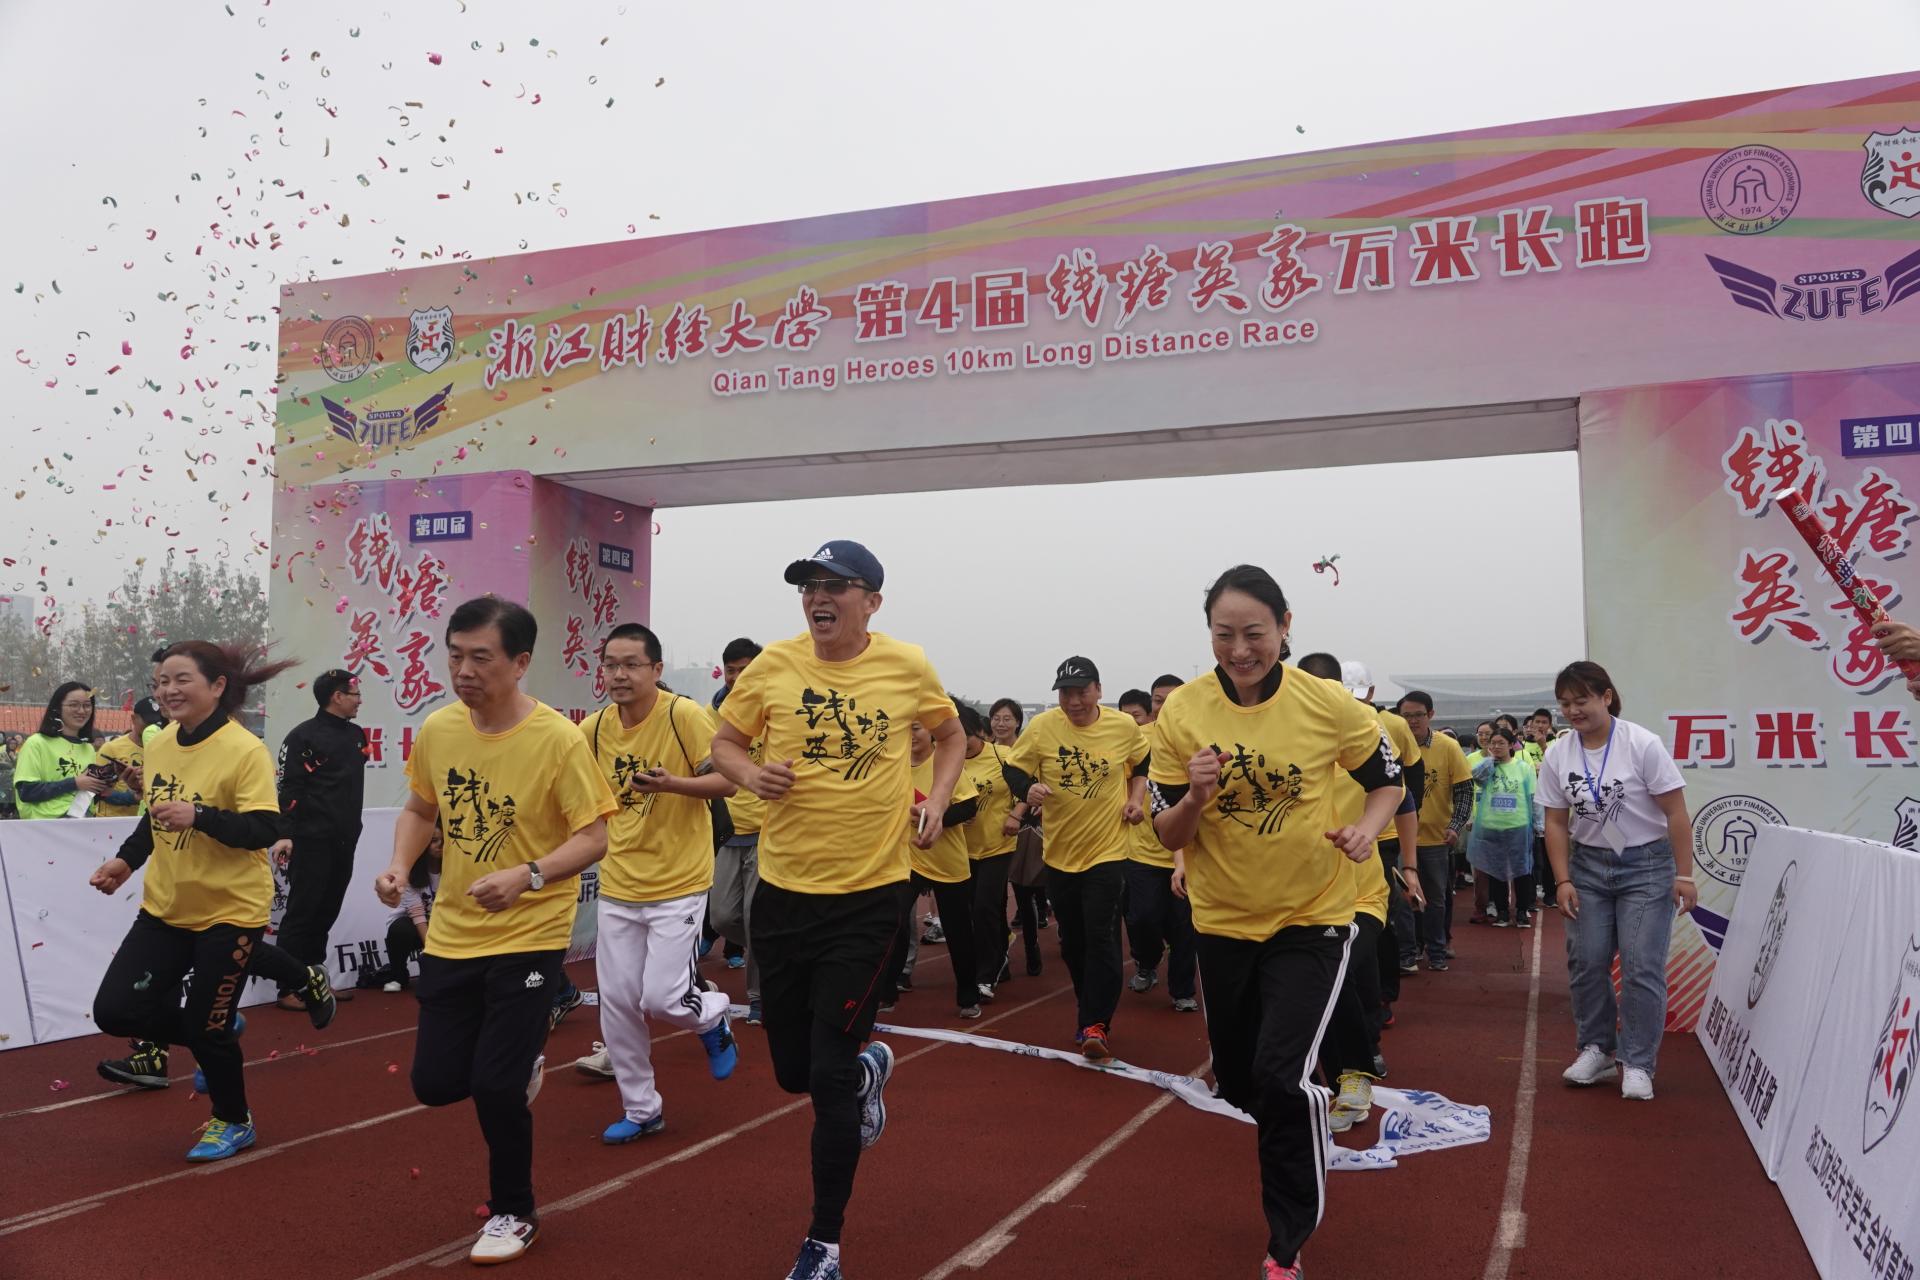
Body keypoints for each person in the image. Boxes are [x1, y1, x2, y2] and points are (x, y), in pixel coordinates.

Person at [710, 539, 961, 1280]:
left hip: (870, 898)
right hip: (784, 895)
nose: (818, 598)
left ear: (871, 601)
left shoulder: (907, 665)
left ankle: (824, 1243)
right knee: (792, 1072)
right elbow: (725, 743)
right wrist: (752, 773)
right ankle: (864, 1075)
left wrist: (938, 800)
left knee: (823, 1076)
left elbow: (950, 734)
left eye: (835, 586)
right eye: (809, 586)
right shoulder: (773, 666)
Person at [1151, 566, 1403, 1280]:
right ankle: (1297, 1118)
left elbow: (1388, 782)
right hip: (1223, 922)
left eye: (1254, 633)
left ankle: (1285, 1243)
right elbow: (1169, 833)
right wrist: (1194, 798)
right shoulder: (1182, 713)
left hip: (1312, 917)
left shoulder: (1327, 704)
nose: (1240, 650)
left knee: (1282, 1077)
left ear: (1285, 626)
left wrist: (1365, 831)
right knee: (1240, 1083)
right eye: (1224, 635)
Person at [376, 597, 617, 1265]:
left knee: (495, 1086)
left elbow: (594, 836)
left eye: (481, 657)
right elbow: (421, 807)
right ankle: (520, 1062)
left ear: (519, 662)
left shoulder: (558, 740)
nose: (464, 670)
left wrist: (528, 875)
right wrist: (399, 865)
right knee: (434, 1085)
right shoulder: (440, 728)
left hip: (530, 930)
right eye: (455, 655)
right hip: (454, 931)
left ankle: (515, 1209)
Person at [86, 641, 306, 1160]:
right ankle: (215, 1029)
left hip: (230, 909)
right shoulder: (160, 741)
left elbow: (266, 828)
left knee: (207, 1025)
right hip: (166, 906)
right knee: (115, 1010)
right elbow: (157, 814)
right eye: (162, 681)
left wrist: (201, 816)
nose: (168, 690)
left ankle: (233, 1120)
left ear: (217, 686)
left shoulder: (244, 750)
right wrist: (125, 861)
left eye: (181, 679)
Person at [574, 623, 739, 1144]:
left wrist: (674, 784)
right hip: (619, 883)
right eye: (610, 665)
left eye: (631, 665)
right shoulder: (593, 730)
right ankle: (642, 1109)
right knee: (618, 1003)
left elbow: (728, 781)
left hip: (679, 882)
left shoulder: (681, 715)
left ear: (656, 669)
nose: (618, 675)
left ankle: (711, 1015)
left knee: (664, 998)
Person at [1538, 661, 1695, 1102]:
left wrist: (1684, 874)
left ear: (1606, 697)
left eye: (1581, 700)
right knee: (1586, 961)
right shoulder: (1557, 753)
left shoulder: (1641, 744)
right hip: (1587, 867)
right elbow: (1555, 822)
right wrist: (1562, 879)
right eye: (1565, 703)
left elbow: (1676, 812)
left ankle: (1638, 1061)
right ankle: (1597, 1048)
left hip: (1646, 866)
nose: (1573, 711)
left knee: (1641, 964)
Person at [1001, 656, 1149, 1063]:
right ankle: (1089, 1010)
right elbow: (1013, 769)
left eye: (1082, 692)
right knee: (1073, 942)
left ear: (1098, 690)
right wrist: (1028, 789)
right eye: (1066, 693)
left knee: (1101, 936)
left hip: (1108, 851)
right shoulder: (1044, 727)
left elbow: (1142, 761)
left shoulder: (1122, 727)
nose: (1074, 701)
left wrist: (1136, 798)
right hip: (1060, 854)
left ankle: (1096, 1023)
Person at [1299, 651, 1402, 1121]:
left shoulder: (1365, 731)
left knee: (1334, 973)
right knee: (1313, 985)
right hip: (1303, 895)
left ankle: (1356, 1072)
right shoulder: (1285, 740)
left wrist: (1408, 863)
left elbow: (1401, 795)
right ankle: (1328, 1082)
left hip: (1360, 892)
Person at [272, 668, 369, 1009]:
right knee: (302, 912)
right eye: (355, 695)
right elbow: (289, 788)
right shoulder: (302, 737)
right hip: (311, 838)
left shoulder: (357, 735)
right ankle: (287, 987)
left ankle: (315, 984)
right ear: (337, 697)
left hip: (345, 838)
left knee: (326, 912)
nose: (360, 701)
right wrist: (286, 834)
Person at [883, 705, 981, 1016]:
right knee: (894, 920)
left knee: (958, 930)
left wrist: (931, 817)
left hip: (947, 861)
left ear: (931, 732)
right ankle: (887, 990)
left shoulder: (945, 763)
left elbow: (968, 807)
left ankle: (968, 996)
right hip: (907, 859)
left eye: (916, 728)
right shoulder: (893, 766)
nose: (910, 735)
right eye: (905, 729)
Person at [1339, 662, 1424, 999]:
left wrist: (1410, 862)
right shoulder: (1312, 729)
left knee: (1380, 919)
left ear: (1371, 692)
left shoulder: (1388, 726)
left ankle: (1383, 995)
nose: (1354, 702)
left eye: (1359, 695)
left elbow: (1407, 784)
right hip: (1331, 848)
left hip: (1381, 838)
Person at [1116, 687, 1197, 1012]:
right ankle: (1147, 962)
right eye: (1160, 699)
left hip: (1189, 852)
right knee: (1143, 918)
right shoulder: (1138, 739)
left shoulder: (1198, 737)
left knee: (1185, 928)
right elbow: (1122, 781)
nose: (1165, 705)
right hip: (1142, 851)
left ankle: (1182, 990)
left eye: (1173, 698)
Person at [709, 636, 766, 1022]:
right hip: (728, 832)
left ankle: (760, 996)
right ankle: (779, 949)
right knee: (723, 918)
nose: (736, 678)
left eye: (745, 670)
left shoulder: (777, 710)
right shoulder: (712, 714)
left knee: (755, 916)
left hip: (767, 832)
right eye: (731, 671)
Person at [1395, 691, 1472, 971]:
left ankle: (1437, 949)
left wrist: (1455, 826)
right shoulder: (1391, 745)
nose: (1412, 721)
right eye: (1406, 716)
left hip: (1436, 839)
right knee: (1403, 900)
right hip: (1398, 838)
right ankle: (1409, 951)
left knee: (1436, 899)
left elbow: (1464, 790)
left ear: (1430, 715)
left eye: (1418, 715)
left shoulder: (1447, 747)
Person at [957, 702, 1018, 1000]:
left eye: (966, 735)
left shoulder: (1002, 756)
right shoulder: (946, 759)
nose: (962, 742)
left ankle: (985, 976)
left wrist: (1016, 815)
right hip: (961, 848)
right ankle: (999, 957)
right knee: (977, 910)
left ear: (979, 731)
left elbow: (1027, 788)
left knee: (985, 907)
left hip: (998, 844)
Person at [991, 697, 1048, 963]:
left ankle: (1031, 947)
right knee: (996, 897)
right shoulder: (986, 750)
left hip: (1024, 826)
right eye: (996, 718)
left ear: (1017, 723)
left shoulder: (1026, 751)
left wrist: (1017, 813)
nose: (1001, 724)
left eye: (1007, 719)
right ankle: (1001, 951)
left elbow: (1033, 786)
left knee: (1024, 893)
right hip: (993, 828)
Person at [1469, 726, 1542, 927]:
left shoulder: (1523, 767)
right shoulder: (1487, 766)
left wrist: (1538, 823)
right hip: (1491, 824)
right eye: (1493, 743)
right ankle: (1502, 911)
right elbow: (1476, 777)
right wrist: (1490, 761)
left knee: (1521, 870)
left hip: (1518, 824)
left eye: (1501, 743)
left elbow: (1533, 796)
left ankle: (1521, 911)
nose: (1496, 747)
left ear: (1511, 745)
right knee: (1496, 870)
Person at [13, 683, 106, 818]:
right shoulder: (37, 743)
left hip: (82, 822)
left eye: (87, 705)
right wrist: (74, 783)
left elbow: (85, 794)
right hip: (45, 825)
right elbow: (26, 791)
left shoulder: (88, 748)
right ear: (57, 708)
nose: (81, 711)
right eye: (73, 705)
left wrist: (103, 790)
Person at [92, 697, 166, 818]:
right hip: (112, 821)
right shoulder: (111, 748)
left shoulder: (165, 749)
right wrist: (133, 798)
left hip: (150, 819)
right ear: (133, 718)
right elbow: (97, 789)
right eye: (148, 722)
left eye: (157, 722)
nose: (152, 728)